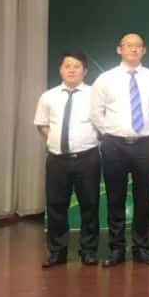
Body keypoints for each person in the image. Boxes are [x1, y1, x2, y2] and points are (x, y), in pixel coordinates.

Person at [90, 32, 149, 267]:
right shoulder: (105, 79)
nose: (133, 49)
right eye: (128, 45)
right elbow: (95, 112)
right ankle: (116, 249)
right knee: (115, 198)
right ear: (119, 49)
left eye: (138, 46)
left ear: (144, 50)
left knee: (143, 198)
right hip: (114, 144)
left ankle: (142, 248)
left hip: (145, 144)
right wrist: (110, 132)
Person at [36, 50, 100, 268]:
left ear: (85, 71)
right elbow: (42, 125)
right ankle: (57, 252)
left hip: (87, 158)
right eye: (67, 66)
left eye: (77, 66)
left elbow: (103, 124)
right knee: (56, 206)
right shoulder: (48, 96)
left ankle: (89, 251)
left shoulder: (94, 95)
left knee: (90, 205)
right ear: (60, 70)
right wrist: (59, 142)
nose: (72, 70)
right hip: (57, 159)